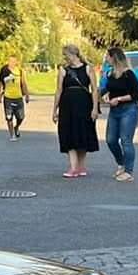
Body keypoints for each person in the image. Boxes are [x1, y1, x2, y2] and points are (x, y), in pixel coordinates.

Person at [52, 44, 99, 177]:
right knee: (68, 133)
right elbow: (58, 90)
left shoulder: (88, 68)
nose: (65, 58)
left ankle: (81, 166)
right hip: (67, 106)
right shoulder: (63, 70)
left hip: (84, 105)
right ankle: (73, 167)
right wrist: (55, 109)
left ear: (73, 54)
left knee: (83, 134)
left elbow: (94, 89)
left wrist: (95, 108)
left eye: (66, 55)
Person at [102, 46, 138, 181]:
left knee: (126, 140)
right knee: (110, 140)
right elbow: (108, 89)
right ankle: (121, 163)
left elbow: (137, 94)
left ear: (113, 57)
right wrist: (106, 95)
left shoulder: (128, 74)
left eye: (107, 56)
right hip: (115, 110)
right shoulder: (110, 74)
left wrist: (119, 99)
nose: (105, 58)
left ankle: (128, 171)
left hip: (129, 108)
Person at [0, 57, 29, 139]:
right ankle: (12, 135)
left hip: (18, 97)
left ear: (16, 62)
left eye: (13, 61)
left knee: (21, 117)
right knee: (9, 117)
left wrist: (27, 95)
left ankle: (16, 127)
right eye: (10, 61)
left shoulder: (20, 71)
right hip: (8, 97)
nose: (11, 63)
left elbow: (24, 83)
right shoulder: (4, 70)